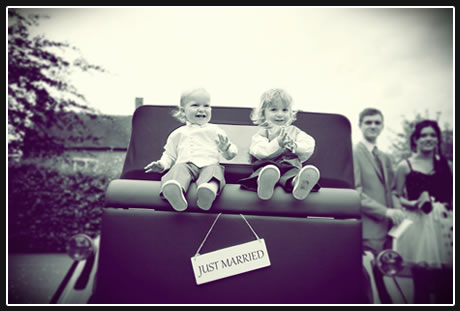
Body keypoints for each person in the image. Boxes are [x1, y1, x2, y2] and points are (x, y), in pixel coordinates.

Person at [144, 88, 238, 211]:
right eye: (195, 105)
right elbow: (170, 155)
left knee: (215, 171)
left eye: (206, 105)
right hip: (187, 166)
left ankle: (208, 192)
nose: (201, 109)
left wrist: (226, 149)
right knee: (177, 168)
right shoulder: (178, 133)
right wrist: (161, 165)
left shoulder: (215, 130)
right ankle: (175, 191)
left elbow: (231, 154)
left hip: (208, 165)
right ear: (183, 111)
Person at [353, 108, 405, 304]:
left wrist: (397, 211)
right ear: (360, 125)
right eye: (368, 122)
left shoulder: (385, 157)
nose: (373, 126)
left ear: (382, 125)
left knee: (384, 285)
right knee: (369, 288)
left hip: (386, 231)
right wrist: (385, 211)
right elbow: (356, 192)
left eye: (377, 122)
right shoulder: (354, 152)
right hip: (366, 229)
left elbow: (391, 190)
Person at [239, 88, 320, 200]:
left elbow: (309, 145)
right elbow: (259, 151)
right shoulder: (263, 133)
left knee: (294, 173)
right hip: (267, 166)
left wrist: (295, 146)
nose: (280, 114)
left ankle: (298, 184)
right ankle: (264, 184)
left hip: (290, 166)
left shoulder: (294, 131)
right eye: (273, 110)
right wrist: (278, 143)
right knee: (265, 172)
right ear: (263, 113)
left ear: (290, 113)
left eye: (285, 110)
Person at [394, 119, 453, 266]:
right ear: (416, 139)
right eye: (424, 135)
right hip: (417, 222)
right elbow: (396, 195)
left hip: (445, 222)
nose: (428, 139)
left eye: (433, 135)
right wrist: (412, 204)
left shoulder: (447, 165)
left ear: (438, 139)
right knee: (421, 271)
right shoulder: (405, 166)